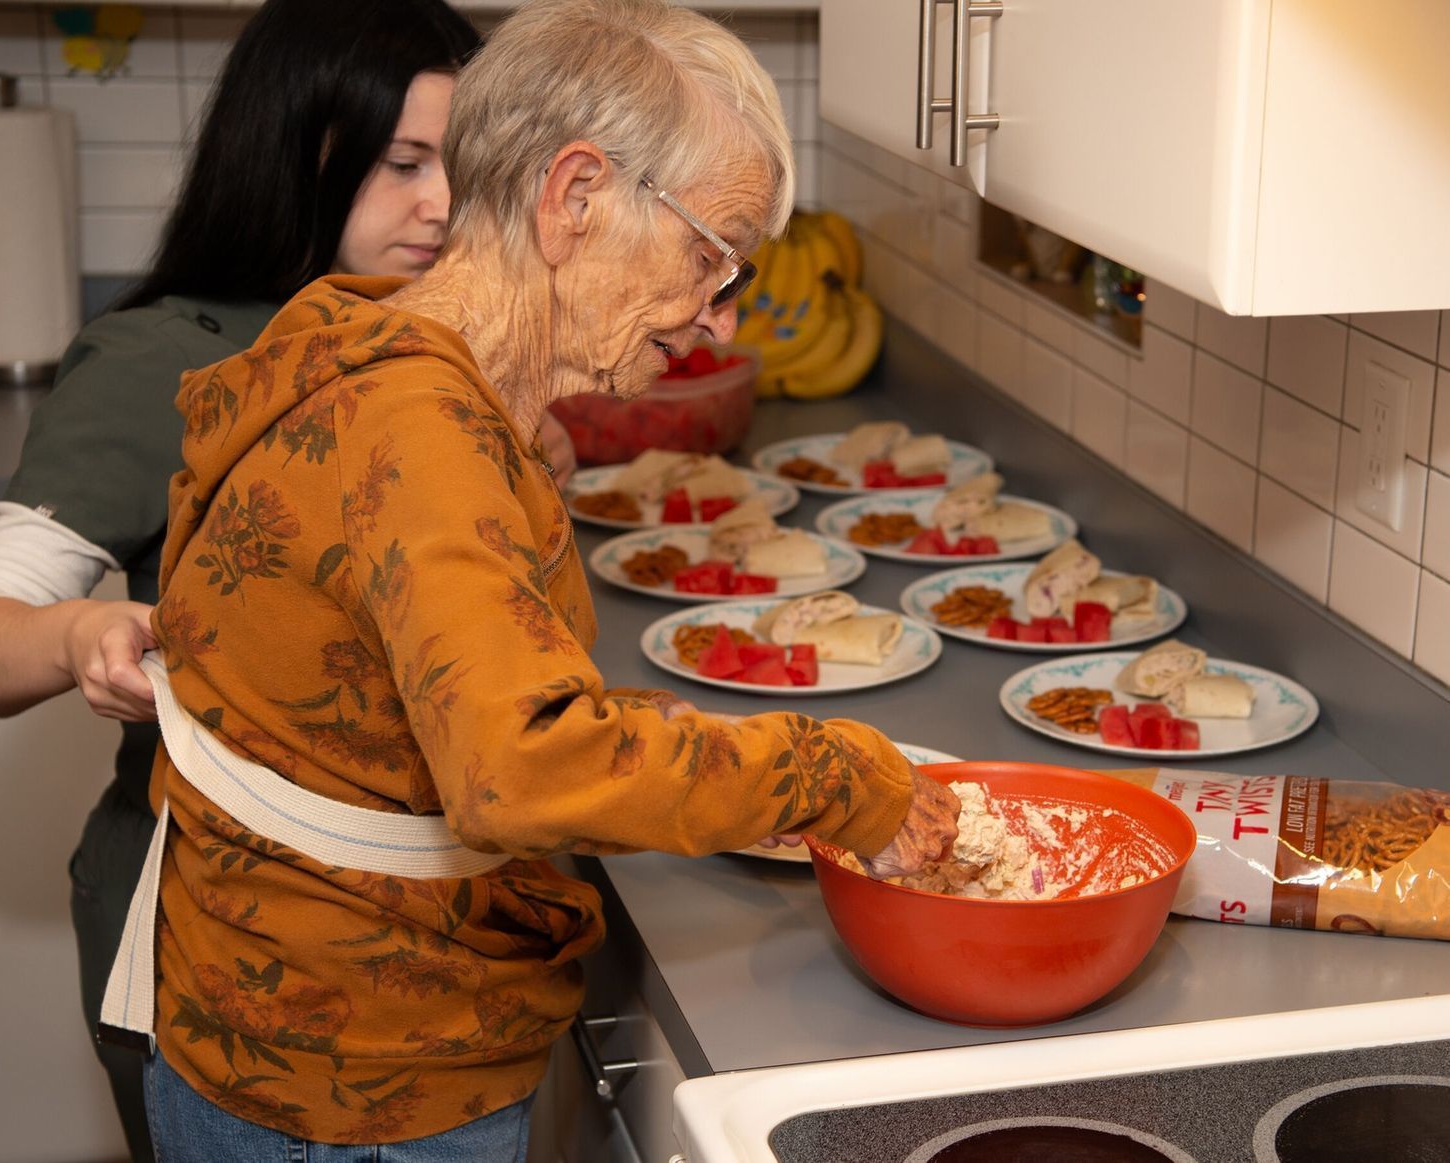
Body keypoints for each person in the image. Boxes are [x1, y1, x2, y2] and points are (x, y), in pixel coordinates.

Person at [121, 1, 963, 1157]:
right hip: (358, 1082)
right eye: (711, 255)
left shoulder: (359, 329)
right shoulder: (422, 430)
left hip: (280, 1013)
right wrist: (825, 769)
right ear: (573, 197)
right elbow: (519, 768)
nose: (720, 317)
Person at [0, 2, 513, 1156]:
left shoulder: (443, 340)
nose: (442, 203)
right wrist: (80, 627)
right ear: (297, 150)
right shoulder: (169, 360)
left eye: (465, 164)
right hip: (210, 963)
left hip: (422, 970)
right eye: (403, 164)